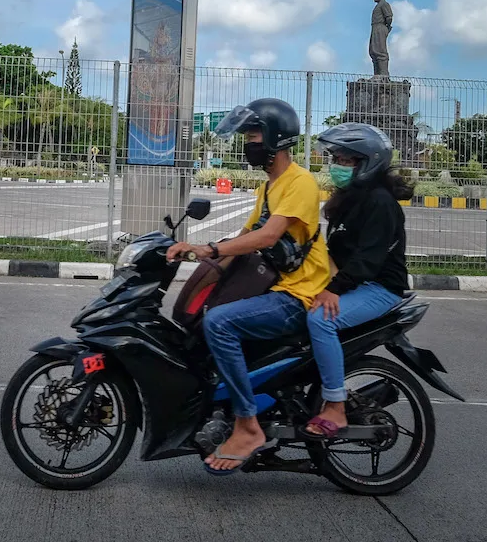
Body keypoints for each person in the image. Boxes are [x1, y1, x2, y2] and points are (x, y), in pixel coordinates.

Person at [166, 98, 329, 474]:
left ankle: (247, 424)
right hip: (275, 289)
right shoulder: (269, 187)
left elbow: (268, 237)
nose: (249, 143)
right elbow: (244, 236)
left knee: (219, 322)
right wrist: (194, 253)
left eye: (254, 135)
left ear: (275, 137)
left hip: (296, 295)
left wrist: (209, 248)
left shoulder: (300, 183)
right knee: (200, 316)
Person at [302, 122, 413, 438]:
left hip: (378, 288)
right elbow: (333, 253)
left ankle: (335, 407)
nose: (338, 166)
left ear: (368, 162)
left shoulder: (380, 202)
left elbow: (368, 259)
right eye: (336, 159)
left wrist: (333, 291)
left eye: (346, 160)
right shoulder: (347, 199)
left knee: (321, 320)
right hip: (353, 283)